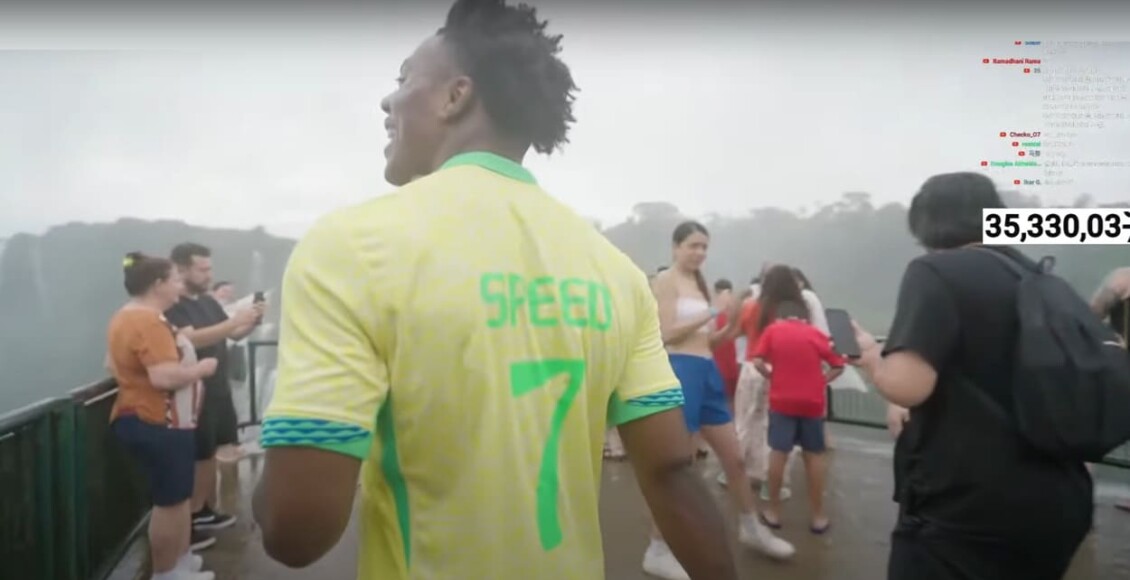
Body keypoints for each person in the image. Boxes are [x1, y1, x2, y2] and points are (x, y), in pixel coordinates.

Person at [252, 2, 738, 579]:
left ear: (455, 97)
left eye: (403, 80)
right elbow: (671, 472)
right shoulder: (616, 272)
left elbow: (296, 531)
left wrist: (284, 439)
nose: (388, 102)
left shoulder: (352, 247)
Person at [852, 172, 1092, 580]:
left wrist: (872, 357)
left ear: (926, 222)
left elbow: (908, 386)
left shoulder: (935, 270)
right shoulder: (1033, 275)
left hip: (970, 509)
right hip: (1057, 500)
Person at [642, 221, 794, 580]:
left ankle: (751, 526)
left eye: (704, 247)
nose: (699, 253)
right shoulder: (665, 282)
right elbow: (666, 334)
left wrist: (733, 319)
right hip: (681, 369)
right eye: (693, 246)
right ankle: (658, 549)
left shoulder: (701, 285)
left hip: (707, 369)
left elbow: (709, 340)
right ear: (676, 247)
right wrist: (712, 311)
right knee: (678, 467)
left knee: (735, 458)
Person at [107, 252, 218, 579]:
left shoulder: (127, 316)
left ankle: (181, 563)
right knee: (170, 503)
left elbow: (110, 364)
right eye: (175, 280)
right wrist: (202, 369)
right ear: (158, 284)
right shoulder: (147, 322)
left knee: (179, 498)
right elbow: (163, 377)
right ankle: (167, 572)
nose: (180, 286)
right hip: (158, 421)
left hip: (154, 420)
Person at [166, 243, 264, 541]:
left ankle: (204, 509)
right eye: (202, 269)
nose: (209, 274)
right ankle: (190, 519)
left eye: (210, 268)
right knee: (197, 454)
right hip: (193, 391)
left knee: (210, 452)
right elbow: (190, 339)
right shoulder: (173, 305)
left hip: (218, 388)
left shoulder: (208, 303)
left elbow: (232, 333)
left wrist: (251, 322)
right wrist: (233, 322)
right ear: (181, 269)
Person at [751, 300, 844, 533]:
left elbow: (758, 361)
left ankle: (773, 512)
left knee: (778, 453)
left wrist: (771, 376)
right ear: (804, 317)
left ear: (781, 316)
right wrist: (821, 381)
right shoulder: (815, 333)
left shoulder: (773, 330)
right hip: (812, 403)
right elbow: (838, 365)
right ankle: (818, 517)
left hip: (782, 401)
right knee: (814, 456)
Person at [1090, 266, 1130, 512]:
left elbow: (1090, 316)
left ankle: (1081, 500)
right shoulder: (1122, 279)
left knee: (1090, 429)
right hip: (1120, 369)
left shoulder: (1122, 279)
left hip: (1120, 369)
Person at [711, 278, 741, 406]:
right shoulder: (736, 314)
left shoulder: (712, 315)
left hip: (718, 363)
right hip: (731, 362)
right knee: (732, 401)